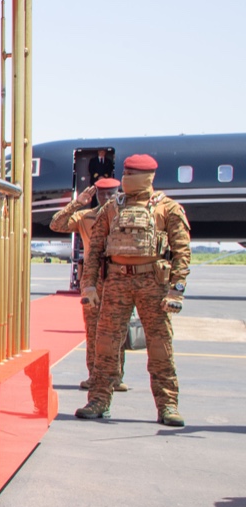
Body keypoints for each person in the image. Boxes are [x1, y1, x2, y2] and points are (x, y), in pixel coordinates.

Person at [75, 154, 190, 427]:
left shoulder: (168, 209)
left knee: (160, 346)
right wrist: (89, 285)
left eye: (132, 173)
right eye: (125, 173)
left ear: (148, 177)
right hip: (116, 283)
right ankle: (98, 400)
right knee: (105, 344)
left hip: (154, 283)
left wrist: (177, 290)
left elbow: (182, 252)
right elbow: (95, 252)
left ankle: (167, 405)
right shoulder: (112, 208)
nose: (126, 178)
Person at [51, 177, 126, 391]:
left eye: (111, 194)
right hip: (92, 279)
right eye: (102, 194)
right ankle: (95, 376)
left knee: (117, 329)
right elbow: (56, 224)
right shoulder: (86, 216)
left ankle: (116, 377)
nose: (107, 198)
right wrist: (78, 202)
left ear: (118, 193)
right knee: (93, 329)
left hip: (117, 278)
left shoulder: (125, 216)